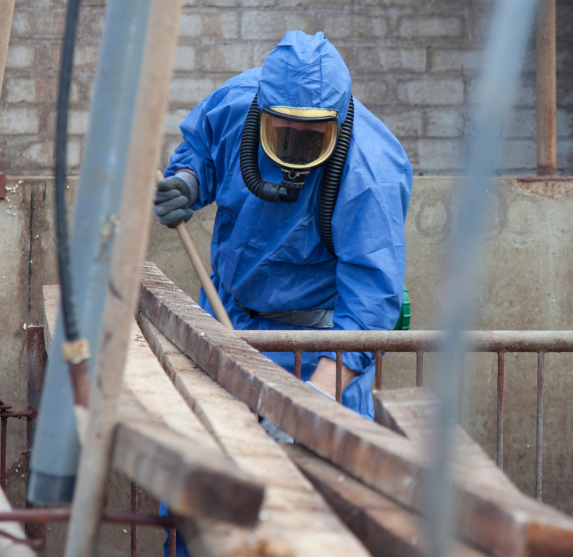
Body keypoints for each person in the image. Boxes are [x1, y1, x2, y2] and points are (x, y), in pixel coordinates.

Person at [154, 31, 412, 417]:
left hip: (312, 351)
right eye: (284, 133)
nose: (298, 147)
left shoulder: (369, 174)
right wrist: (188, 181)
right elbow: (203, 150)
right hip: (224, 319)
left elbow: (369, 303)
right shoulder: (238, 104)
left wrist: (316, 401)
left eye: (314, 137)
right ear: (264, 109)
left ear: (337, 122)